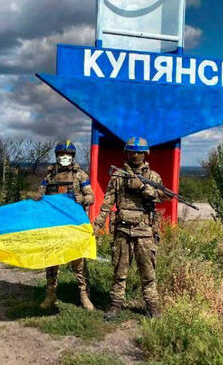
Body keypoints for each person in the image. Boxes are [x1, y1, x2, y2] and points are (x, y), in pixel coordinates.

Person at [93, 137, 164, 320]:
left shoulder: (153, 177)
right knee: (119, 270)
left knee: (148, 272)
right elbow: (107, 202)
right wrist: (98, 224)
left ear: (145, 154)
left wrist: (143, 188)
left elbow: (162, 196)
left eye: (139, 152)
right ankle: (115, 304)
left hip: (145, 231)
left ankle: (152, 306)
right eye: (132, 152)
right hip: (123, 230)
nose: (135, 155)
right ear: (127, 153)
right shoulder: (118, 176)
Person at [32, 140, 95, 310]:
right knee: (52, 260)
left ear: (72, 156)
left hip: (73, 226)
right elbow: (39, 195)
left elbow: (91, 197)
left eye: (67, 154)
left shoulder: (80, 175)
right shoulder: (49, 176)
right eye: (61, 154)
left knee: (78, 262)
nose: (64, 157)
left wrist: (82, 198)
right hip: (53, 225)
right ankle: (50, 295)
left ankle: (84, 296)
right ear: (57, 156)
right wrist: (36, 198)